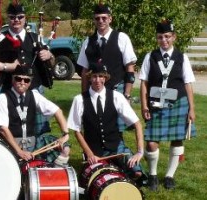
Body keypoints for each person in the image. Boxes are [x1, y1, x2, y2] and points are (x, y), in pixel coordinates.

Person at [139, 19, 196, 191]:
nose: (164, 40)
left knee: (177, 140)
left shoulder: (182, 57)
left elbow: (188, 84)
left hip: (178, 103)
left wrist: (192, 108)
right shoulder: (150, 56)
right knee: (151, 142)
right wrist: (144, 105)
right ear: (156, 38)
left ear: (174, 37)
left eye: (167, 37)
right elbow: (143, 83)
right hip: (155, 105)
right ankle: (153, 175)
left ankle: (170, 176)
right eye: (160, 37)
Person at [0, 3, 55, 136]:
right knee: (8, 128)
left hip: (34, 88)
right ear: (8, 19)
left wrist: (49, 55)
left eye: (20, 17)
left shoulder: (35, 37)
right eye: (12, 17)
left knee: (38, 129)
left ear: (25, 18)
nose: (16, 20)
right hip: (8, 90)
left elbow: (51, 61)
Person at [67, 64, 144, 181]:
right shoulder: (79, 99)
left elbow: (137, 124)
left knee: (137, 173)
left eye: (101, 76)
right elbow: (76, 130)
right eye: (94, 76)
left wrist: (139, 152)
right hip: (94, 151)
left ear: (105, 78)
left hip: (117, 148)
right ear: (89, 77)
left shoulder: (117, 97)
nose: (97, 80)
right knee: (97, 179)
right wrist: (89, 153)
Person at [0, 66, 70, 164]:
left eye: (26, 80)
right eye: (18, 79)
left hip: (33, 144)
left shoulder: (34, 95)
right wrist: (19, 151)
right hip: (10, 145)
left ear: (30, 83)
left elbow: (57, 111)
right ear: (12, 79)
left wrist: (65, 134)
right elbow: (2, 129)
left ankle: (53, 174)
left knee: (65, 148)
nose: (22, 82)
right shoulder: (2, 98)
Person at [77, 3, 136, 98]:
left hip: (117, 91)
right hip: (94, 93)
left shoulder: (122, 38)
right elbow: (85, 71)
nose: (100, 21)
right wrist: (84, 95)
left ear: (110, 19)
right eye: (97, 18)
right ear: (94, 20)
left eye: (104, 18)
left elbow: (130, 68)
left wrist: (127, 95)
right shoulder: (87, 42)